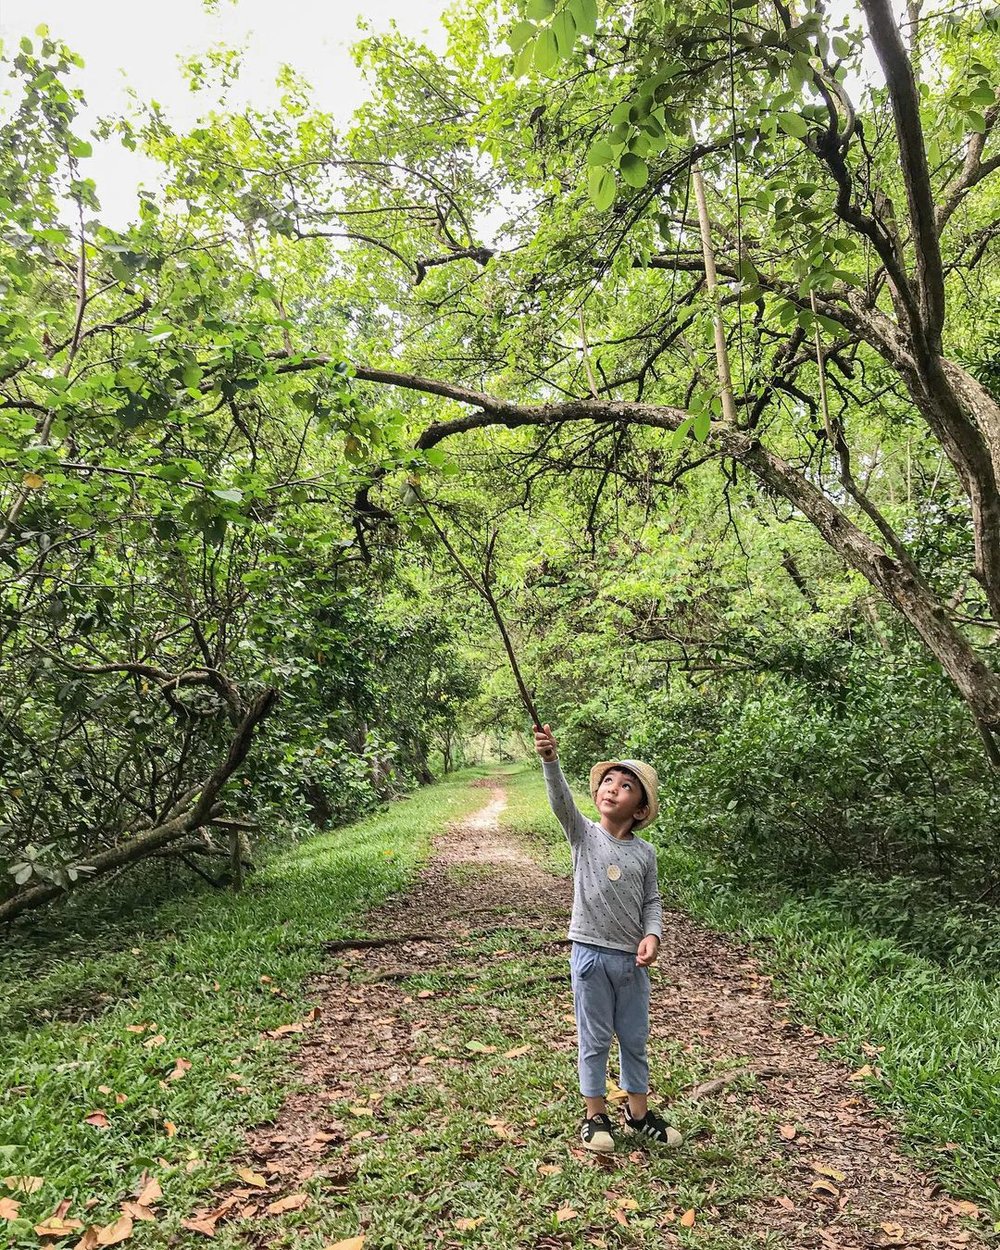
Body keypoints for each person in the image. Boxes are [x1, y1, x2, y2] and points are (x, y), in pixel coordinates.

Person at [534, 722, 682, 1154]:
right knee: (595, 1038)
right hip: (589, 955)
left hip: (631, 963)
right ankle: (595, 1115)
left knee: (634, 1038)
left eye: (626, 786)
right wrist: (550, 761)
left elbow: (652, 901)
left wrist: (652, 935)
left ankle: (638, 1114)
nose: (612, 788)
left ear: (640, 809)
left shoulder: (645, 853)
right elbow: (560, 801)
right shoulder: (582, 834)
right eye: (608, 781)